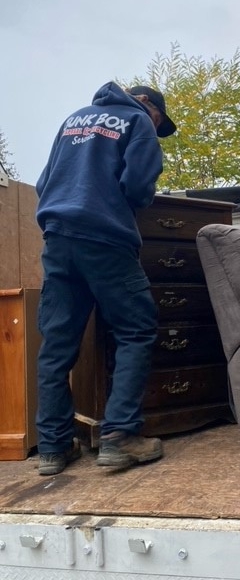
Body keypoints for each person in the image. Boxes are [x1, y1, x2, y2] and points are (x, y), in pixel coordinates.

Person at [35, 81, 176, 475]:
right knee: (136, 329)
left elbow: (45, 183)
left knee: (57, 345)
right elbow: (137, 185)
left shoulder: (73, 120)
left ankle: (53, 447)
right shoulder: (136, 119)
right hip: (106, 239)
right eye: (158, 119)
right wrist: (129, 205)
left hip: (58, 238)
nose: (155, 125)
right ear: (147, 104)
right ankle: (120, 437)